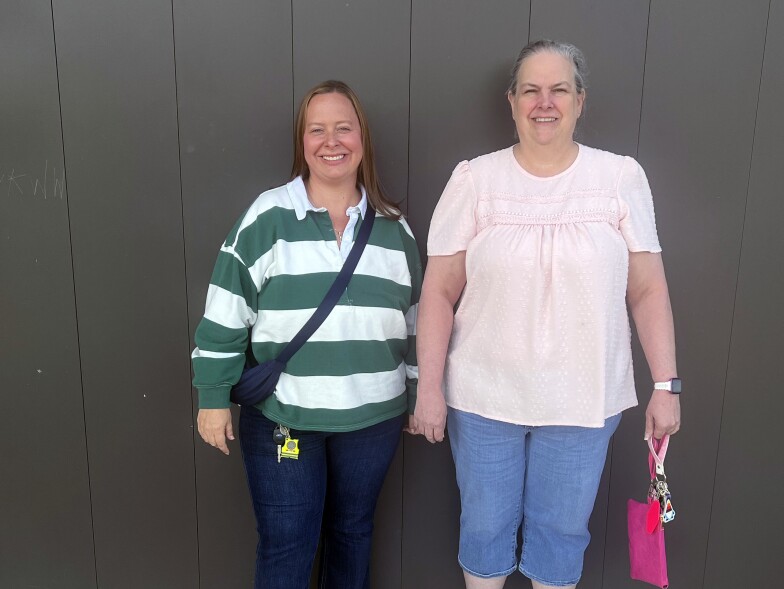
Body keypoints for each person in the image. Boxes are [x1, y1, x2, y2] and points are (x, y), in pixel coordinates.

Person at [411, 40, 681, 589]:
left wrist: (665, 385)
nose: (545, 102)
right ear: (511, 101)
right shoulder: (475, 181)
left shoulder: (619, 179)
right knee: (484, 527)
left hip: (584, 399)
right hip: (485, 397)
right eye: (530, 90)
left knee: (561, 534)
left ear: (580, 101)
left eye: (559, 89)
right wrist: (429, 388)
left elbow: (648, 289)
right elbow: (438, 291)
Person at [192, 80, 422, 589]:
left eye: (343, 128)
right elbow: (227, 307)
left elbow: (415, 321)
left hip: (372, 419)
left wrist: (416, 391)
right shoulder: (268, 216)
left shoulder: (393, 228)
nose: (331, 141)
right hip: (285, 417)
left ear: (362, 138)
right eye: (317, 130)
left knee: (352, 535)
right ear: (302, 141)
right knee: (288, 545)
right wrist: (212, 396)